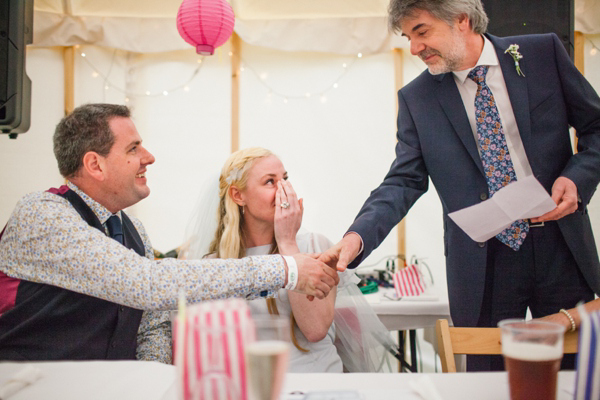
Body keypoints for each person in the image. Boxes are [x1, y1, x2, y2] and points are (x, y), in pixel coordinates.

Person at [320, 0, 600, 371]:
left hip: (560, 247)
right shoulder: (417, 99)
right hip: (484, 263)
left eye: (422, 31)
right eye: (408, 37)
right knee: (486, 378)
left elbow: (596, 128)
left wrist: (576, 177)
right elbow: (403, 181)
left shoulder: (541, 53)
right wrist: (356, 237)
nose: (414, 48)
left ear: (462, 20)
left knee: (575, 371)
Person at [0, 104, 339, 363]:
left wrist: (154, 381)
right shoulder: (41, 214)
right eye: (133, 149)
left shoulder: (133, 230)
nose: (149, 157)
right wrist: (287, 269)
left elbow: (153, 326)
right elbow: (146, 284)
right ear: (95, 165)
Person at [182, 147, 396, 372]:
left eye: (285, 178)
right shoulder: (216, 263)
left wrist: (287, 242)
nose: (285, 189)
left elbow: (315, 330)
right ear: (238, 195)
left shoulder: (315, 246)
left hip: (317, 380)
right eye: (269, 182)